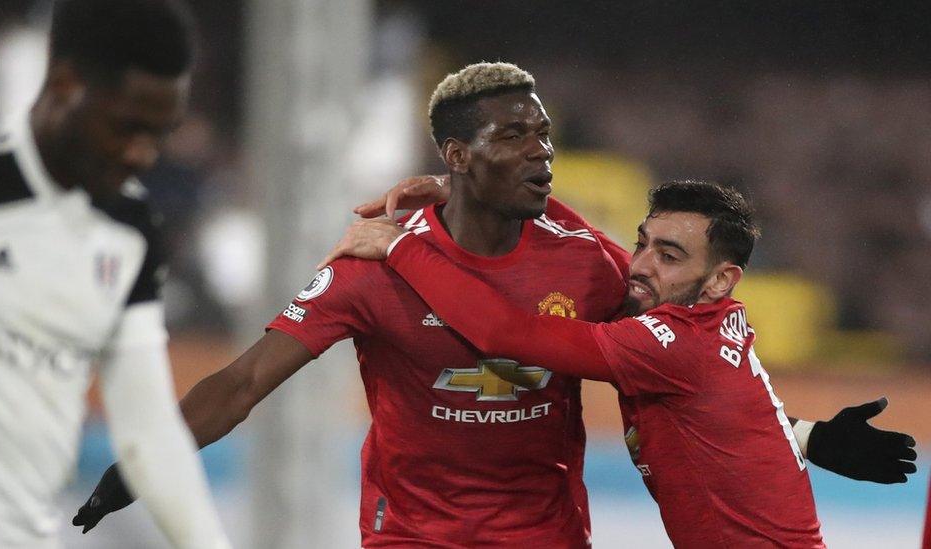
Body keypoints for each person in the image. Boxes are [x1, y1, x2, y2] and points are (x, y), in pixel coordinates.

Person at [76, 62, 914, 547]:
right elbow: (245, 378)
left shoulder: (587, 263)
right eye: (515, 137)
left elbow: (687, 373)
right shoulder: (372, 264)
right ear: (456, 154)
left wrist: (805, 437)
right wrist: (142, 457)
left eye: (545, 132)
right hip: (412, 534)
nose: (543, 153)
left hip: (543, 534)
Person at [324, 180, 919, 547]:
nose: (639, 264)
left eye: (669, 254)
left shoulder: (666, 343)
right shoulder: (692, 315)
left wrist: (399, 247)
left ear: (720, 281)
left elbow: (502, 331)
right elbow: (588, 241)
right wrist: (470, 192)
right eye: (643, 242)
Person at [0, 1, 230, 547]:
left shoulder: (130, 230)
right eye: (128, 127)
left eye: (160, 134)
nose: (143, 154)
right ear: (65, 83)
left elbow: (147, 430)